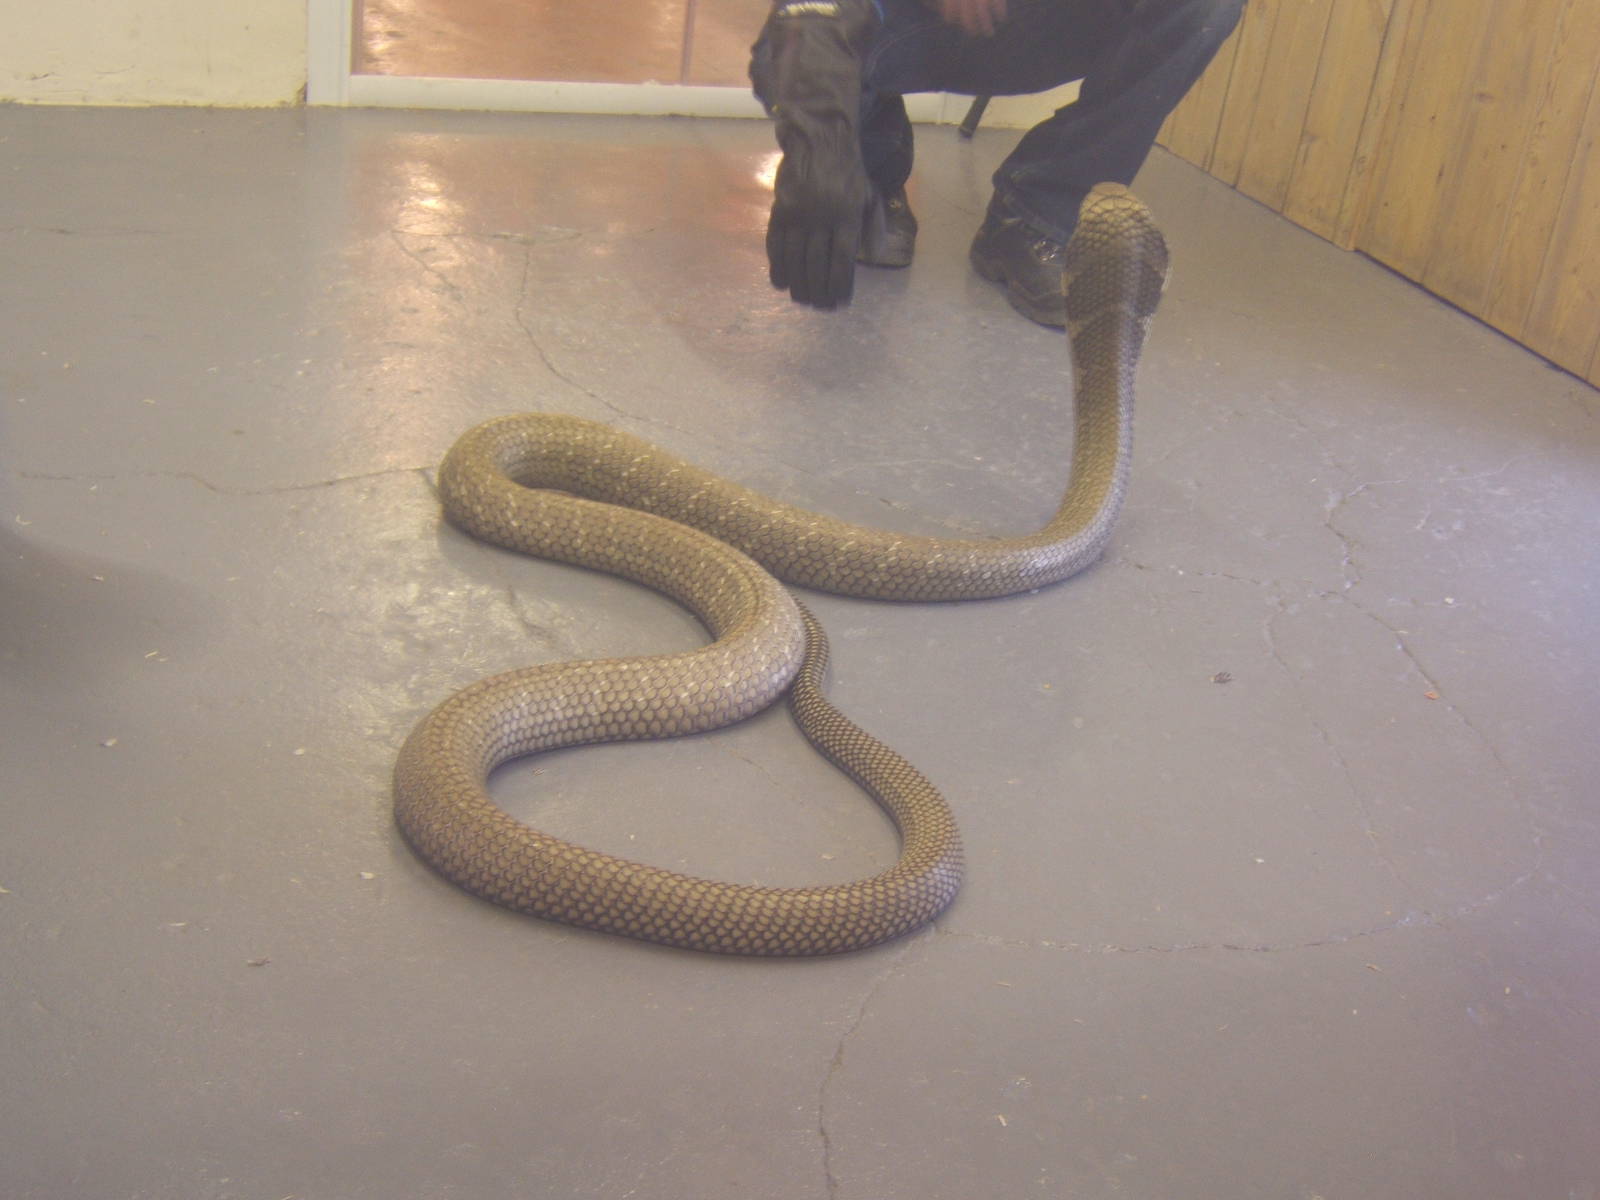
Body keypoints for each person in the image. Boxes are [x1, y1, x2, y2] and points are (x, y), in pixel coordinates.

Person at [750, 0, 1245, 326]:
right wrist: (822, 146)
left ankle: (1037, 216)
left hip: (1034, 22)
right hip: (905, 20)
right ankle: (870, 168)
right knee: (804, 35)